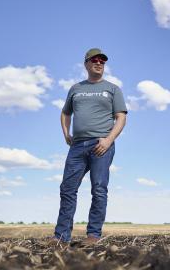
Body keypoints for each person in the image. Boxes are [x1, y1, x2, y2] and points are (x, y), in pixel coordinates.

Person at [53, 48, 127, 245]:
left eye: (102, 60)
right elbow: (65, 113)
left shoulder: (112, 89)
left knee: (99, 189)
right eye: (94, 60)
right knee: (67, 189)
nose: (99, 63)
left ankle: (93, 236)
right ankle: (61, 237)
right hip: (77, 146)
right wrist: (66, 133)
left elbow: (121, 117)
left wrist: (108, 140)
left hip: (101, 145)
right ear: (86, 63)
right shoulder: (76, 88)